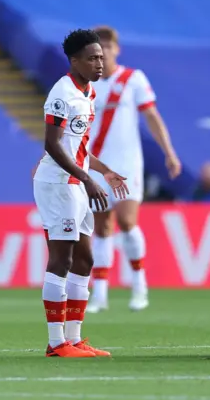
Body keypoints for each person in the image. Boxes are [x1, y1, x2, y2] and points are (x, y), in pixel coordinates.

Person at [33, 29, 129, 357]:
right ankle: (56, 341)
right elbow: (52, 144)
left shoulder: (87, 93)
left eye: (101, 57)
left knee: (85, 258)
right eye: (92, 59)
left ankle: (74, 339)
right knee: (62, 258)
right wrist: (86, 179)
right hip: (59, 184)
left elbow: (80, 148)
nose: (99, 64)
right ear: (74, 61)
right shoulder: (63, 94)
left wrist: (103, 171)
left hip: (76, 181)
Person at [87, 26, 182, 313]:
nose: (103, 52)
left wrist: (169, 152)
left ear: (117, 49)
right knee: (101, 226)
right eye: (97, 48)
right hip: (94, 162)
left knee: (127, 221)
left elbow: (152, 116)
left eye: (108, 46)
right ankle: (99, 293)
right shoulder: (84, 84)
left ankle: (139, 284)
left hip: (127, 162)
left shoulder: (132, 79)